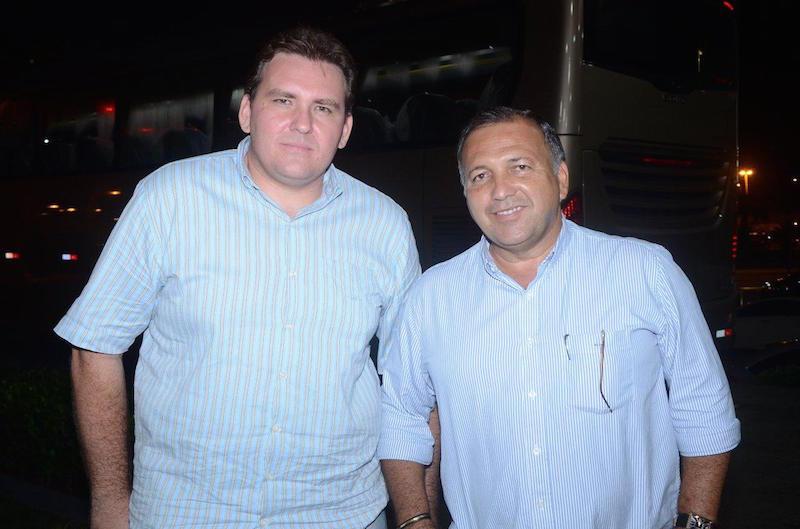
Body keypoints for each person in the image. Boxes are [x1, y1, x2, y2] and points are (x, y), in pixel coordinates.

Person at [55, 26, 420, 529]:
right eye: (283, 100)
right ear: (247, 112)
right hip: (186, 515)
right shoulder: (170, 199)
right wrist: (110, 503)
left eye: (324, 108)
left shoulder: (386, 225)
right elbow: (95, 346)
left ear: (345, 129)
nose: (302, 123)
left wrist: (416, 515)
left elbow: (412, 384)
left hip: (341, 515)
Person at [378, 107, 740, 529]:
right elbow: (403, 417)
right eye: (480, 175)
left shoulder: (644, 271)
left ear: (561, 178)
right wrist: (415, 520)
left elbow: (704, 407)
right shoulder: (430, 297)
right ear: (465, 193)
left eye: (520, 166)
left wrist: (696, 522)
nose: (500, 190)